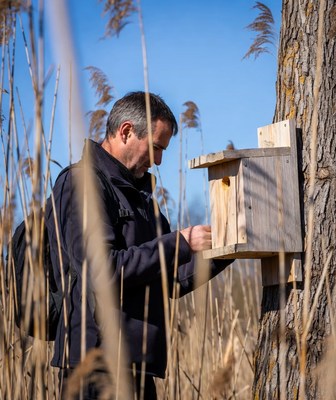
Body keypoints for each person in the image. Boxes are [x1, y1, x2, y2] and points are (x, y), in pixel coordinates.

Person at [45, 91, 232, 399]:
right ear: (127, 131)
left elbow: (171, 278)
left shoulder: (140, 199)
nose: (158, 161)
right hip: (96, 367)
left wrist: (227, 248)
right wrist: (179, 242)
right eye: (156, 147)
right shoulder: (81, 185)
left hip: (137, 366)